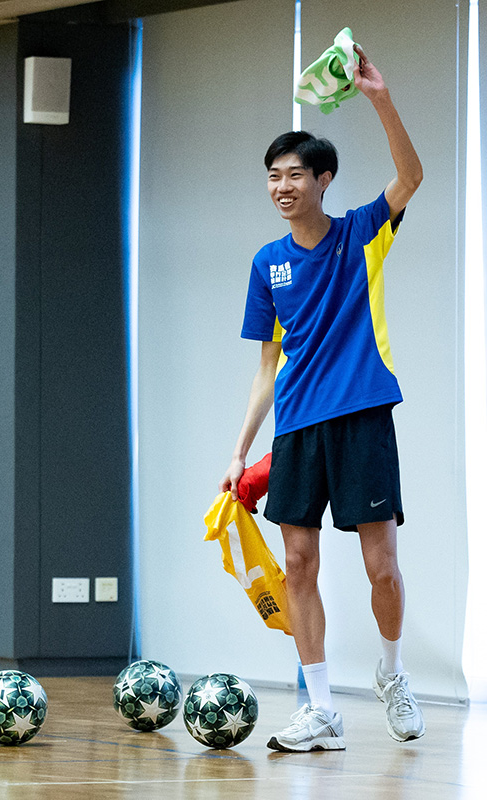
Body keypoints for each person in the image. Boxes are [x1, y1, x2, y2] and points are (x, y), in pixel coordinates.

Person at [220, 43, 424, 753]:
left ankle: (393, 673)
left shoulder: (362, 233)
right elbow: (266, 366)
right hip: (297, 427)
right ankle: (322, 709)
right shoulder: (265, 264)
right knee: (299, 565)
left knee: (381, 567)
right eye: (273, 175)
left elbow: (411, 176)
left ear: (323, 179)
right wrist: (241, 449)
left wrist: (379, 98)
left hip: (362, 415)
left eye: (294, 174)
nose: (282, 186)